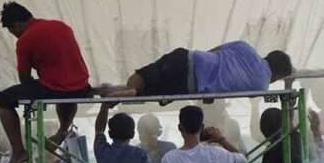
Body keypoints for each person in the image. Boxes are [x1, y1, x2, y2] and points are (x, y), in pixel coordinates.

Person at [0, 2, 91, 163]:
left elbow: (24, 79)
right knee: (65, 90)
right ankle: (62, 131)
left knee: (2, 98)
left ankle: (18, 151)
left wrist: (32, 86)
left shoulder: (25, 40)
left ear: (16, 24)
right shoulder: (62, 26)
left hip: (56, 87)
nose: (15, 36)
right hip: (82, 85)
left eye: (13, 32)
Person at [104, 41, 292, 98]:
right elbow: (232, 90)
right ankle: (132, 93)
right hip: (189, 86)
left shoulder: (246, 47)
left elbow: (214, 51)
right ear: (278, 76)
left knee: (142, 76)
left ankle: (130, 88)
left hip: (189, 59)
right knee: (147, 93)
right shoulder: (261, 86)